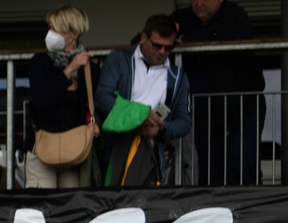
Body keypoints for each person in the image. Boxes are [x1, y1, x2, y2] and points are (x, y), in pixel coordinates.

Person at [171, 0, 266, 186]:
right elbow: (154, 34)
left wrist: (186, 39)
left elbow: (230, 32)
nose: (199, 3)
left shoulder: (234, 14)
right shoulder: (182, 18)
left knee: (243, 169)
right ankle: (218, 215)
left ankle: (247, 214)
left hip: (242, 109)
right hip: (203, 114)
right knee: (211, 174)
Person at [95, 15, 191, 186]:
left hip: (152, 153)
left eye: (168, 48)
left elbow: (184, 122)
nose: (162, 52)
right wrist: (139, 116)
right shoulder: (119, 60)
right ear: (143, 37)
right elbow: (102, 97)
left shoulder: (177, 77)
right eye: (157, 46)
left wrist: (160, 131)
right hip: (116, 148)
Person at [22, 5, 101, 188]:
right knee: (40, 209)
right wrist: (69, 69)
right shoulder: (40, 63)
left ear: (73, 34)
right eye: (50, 28)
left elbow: (90, 105)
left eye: (55, 29)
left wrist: (93, 123)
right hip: (43, 147)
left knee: (71, 209)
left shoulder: (90, 69)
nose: (50, 33)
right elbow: (42, 102)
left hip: (74, 149)